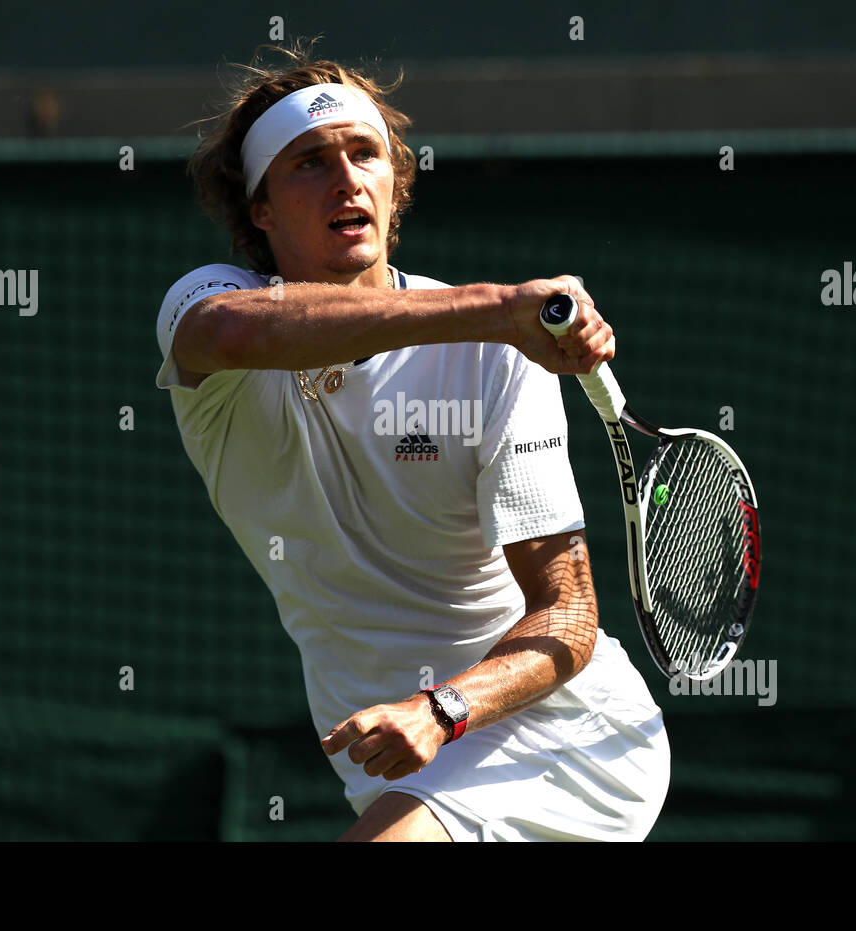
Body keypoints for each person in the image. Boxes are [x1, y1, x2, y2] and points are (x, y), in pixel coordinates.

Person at [155, 42, 669, 841]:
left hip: (565, 732)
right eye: (308, 163)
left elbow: (568, 617)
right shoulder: (210, 308)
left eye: (365, 154)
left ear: (394, 189)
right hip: (397, 758)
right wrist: (499, 308)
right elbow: (225, 333)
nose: (345, 178)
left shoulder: (499, 358)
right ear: (259, 208)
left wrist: (444, 708)